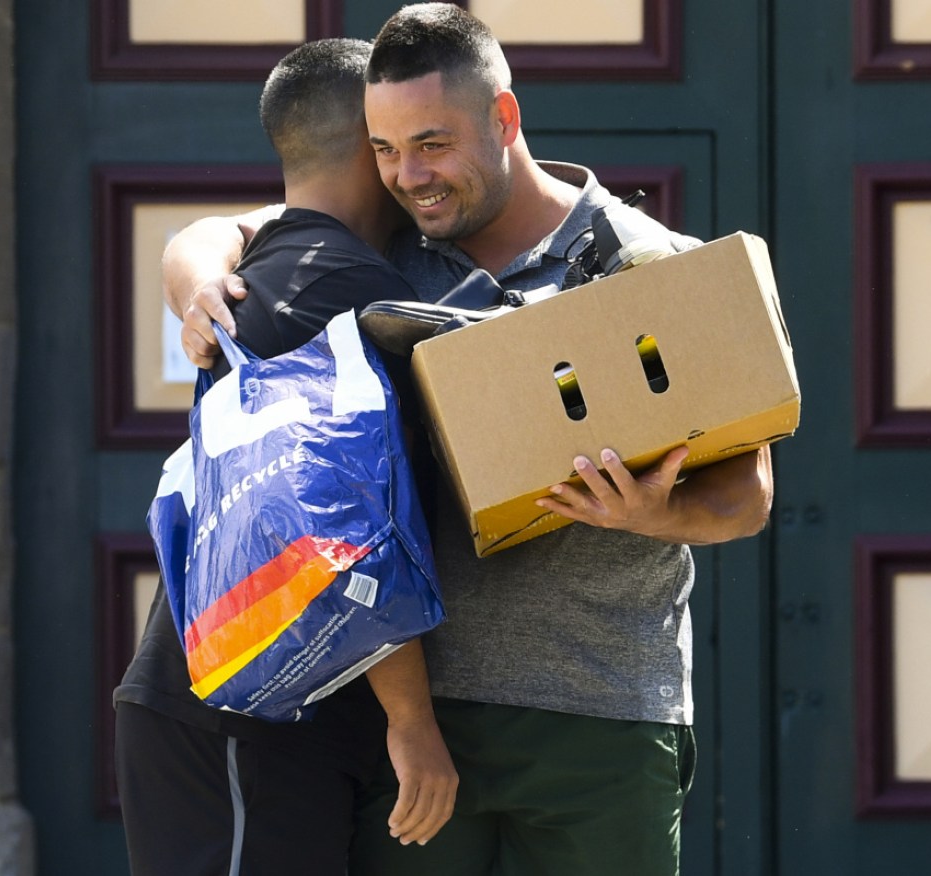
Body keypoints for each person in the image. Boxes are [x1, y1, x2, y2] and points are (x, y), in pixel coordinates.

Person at [163, 6, 774, 874]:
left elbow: (747, 498)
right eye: (383, 151)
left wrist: (649, 513)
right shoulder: (388, 250)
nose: (408, 175)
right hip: (419, 731)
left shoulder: (655, 265)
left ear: (504, 118)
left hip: (602, 717)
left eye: (432, 144)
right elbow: (238, 229)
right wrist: (195, 285)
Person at [113, 38, 458, 876]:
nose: (409, 168)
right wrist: (411, 723)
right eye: (391, 142)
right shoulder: (332, 289)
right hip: (242, 727)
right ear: (366, 147)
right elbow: (337, 527)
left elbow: (231, 227)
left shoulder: (284, 262)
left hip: (263, 716)